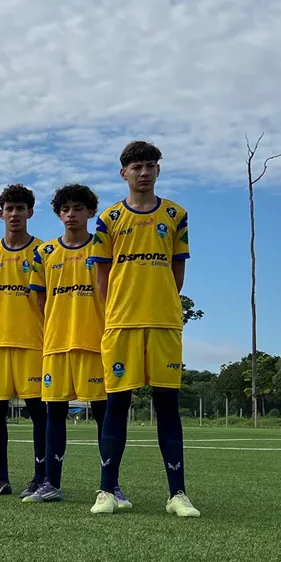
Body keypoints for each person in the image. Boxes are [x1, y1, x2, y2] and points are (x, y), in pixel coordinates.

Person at [89, 140, 200, 517]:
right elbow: (102, 276)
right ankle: (107, 492)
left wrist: (160, 301)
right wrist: (119, 309)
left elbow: (177, 272)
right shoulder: (108, 219)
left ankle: (177, 495)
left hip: (164, 322)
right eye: (136, 166)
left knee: (167, 406)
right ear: (124, 173)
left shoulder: (175, 214)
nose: (144, 172)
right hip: (121, 323)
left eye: (150, 165)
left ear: (158, 170)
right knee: (116, 406)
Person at [30, 184, 117, 505]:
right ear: (58, 214)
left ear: (90, 212)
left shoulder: (103, 249)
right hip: (56, 345)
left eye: (78, 208)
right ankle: (51, 483)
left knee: (102, 414)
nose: (71, 214)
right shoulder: (45, 253)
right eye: (65, 209)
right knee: (54, 413)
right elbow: (40, 300)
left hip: (95, 343)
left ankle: (111, 486)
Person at [0, 184, 48, 498]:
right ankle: (1, 478)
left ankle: (40, 476)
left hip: (32, 342)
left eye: (21, 208)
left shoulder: (43, 251)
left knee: (37, 411)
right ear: (1, 213)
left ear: (30, 212)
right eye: (9, 208)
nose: (15, 213)